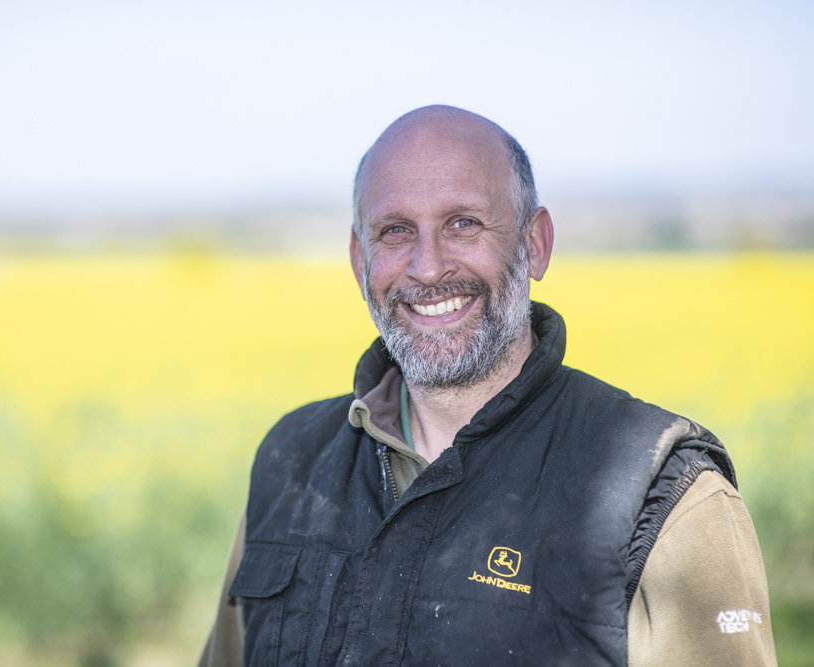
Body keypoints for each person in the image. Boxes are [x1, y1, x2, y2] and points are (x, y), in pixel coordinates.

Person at [199, 106, 777, 666]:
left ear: (536, 244)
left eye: (463, 224)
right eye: (396, 231)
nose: (428, 268)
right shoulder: (292, 460)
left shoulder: (667, 497)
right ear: (359, 260)